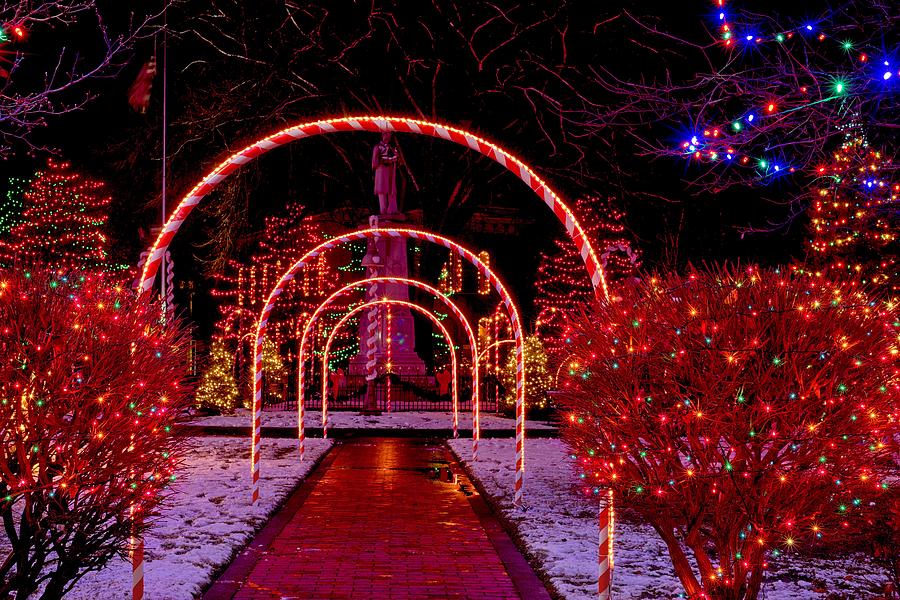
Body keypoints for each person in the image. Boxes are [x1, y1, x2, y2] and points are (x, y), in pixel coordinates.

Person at [372, 132, 399, 214]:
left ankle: (391, 210)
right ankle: (383, 211)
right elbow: (375, 162)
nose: (389, 137)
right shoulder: (377, 147)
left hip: (389, 170)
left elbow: (396, 157)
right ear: (384, 135)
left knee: (390, 189)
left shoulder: (391, 147)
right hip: (381, 171)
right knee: (382, 190)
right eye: (388, 135)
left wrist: (394, 157)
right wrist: (384, 159)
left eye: (390, 135)